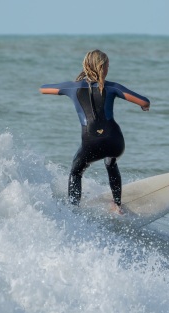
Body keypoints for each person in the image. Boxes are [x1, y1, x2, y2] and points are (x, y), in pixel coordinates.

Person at [40, 49, 150, 214]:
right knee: (111, 162)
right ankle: (117, 205)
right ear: (103, 68)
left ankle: (73, 211)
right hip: (115, 141)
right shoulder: (113, 87)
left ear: (85, 66)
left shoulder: (72, 87)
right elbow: (145, 101)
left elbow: (43, 89)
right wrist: (143, 106)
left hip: (91, 142)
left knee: (76, 172)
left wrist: (66, 88)